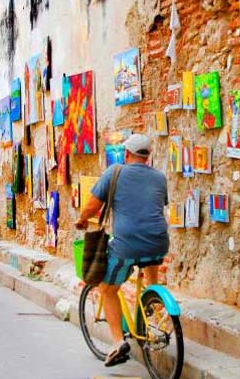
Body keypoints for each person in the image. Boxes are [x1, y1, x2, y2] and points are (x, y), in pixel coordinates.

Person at [74, 133, 169, 367]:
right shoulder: (159, 178)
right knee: (151, 276)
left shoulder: (115, 172)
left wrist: (82, 220)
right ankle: (153, 309)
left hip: (127, 244)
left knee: (107, 289)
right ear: (148, 156)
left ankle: (118, 343)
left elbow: (92, 206)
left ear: (126, 153)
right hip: (158, 241)